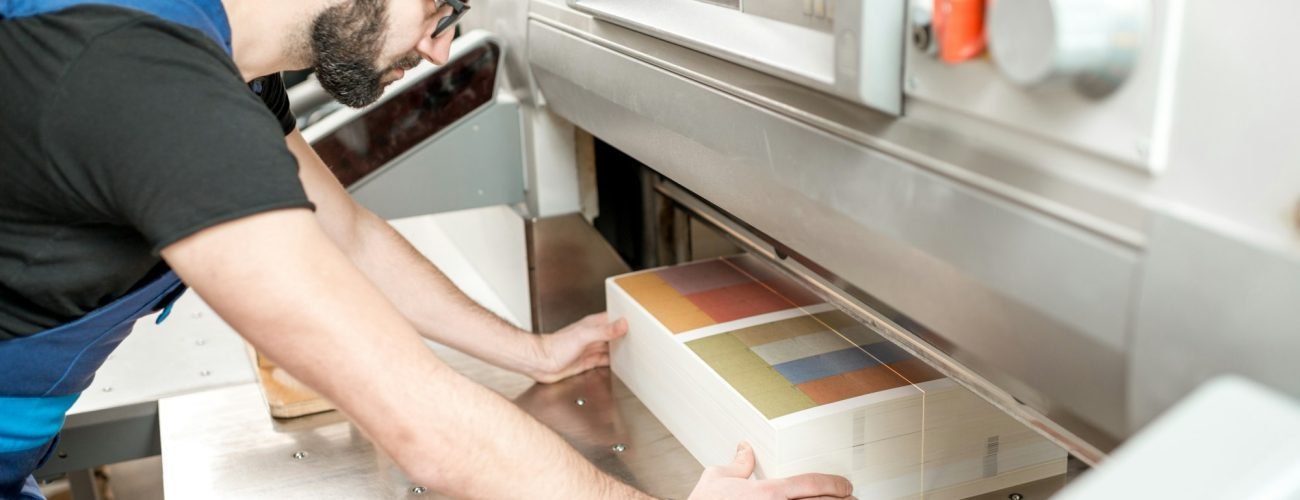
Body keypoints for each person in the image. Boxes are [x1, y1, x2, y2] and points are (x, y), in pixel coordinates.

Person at [0, 0, 855, 498]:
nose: (439, 47)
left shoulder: (214, 59)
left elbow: (351, 236)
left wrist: (531, 350)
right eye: (441, 7)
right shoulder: (143, 80)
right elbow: (420, 426)